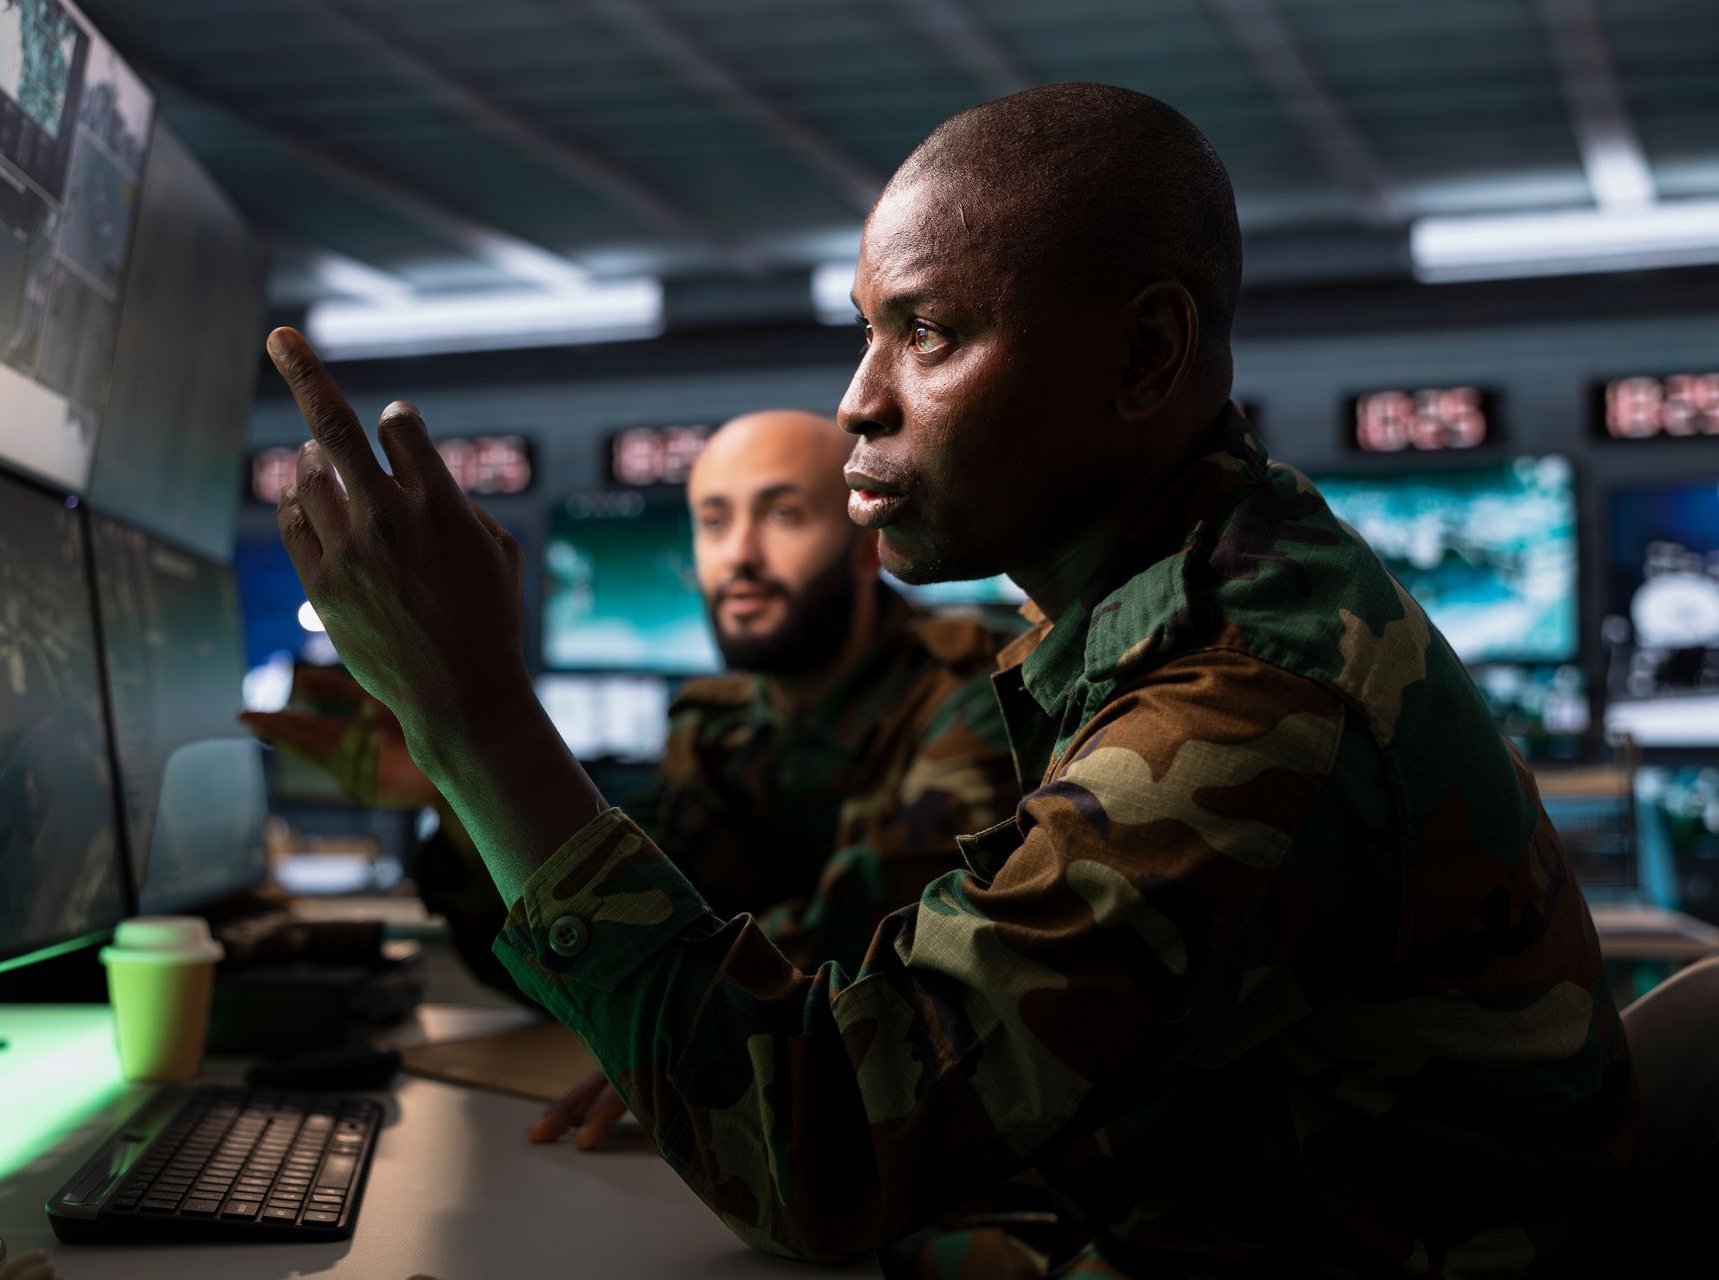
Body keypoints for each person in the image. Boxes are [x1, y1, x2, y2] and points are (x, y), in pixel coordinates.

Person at [259, 82, 1635, 1278]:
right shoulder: (1163, 614)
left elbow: (816, 1147)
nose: (859, 400)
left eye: (926, 334)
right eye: (867, 330)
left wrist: (474, 714)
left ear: (1145, 356)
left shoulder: (1250, 695)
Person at [244, 410, 1021, 1148]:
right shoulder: (714, 725)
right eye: (714, 521)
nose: (740, 555)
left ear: (864, 546)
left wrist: (672, 1019)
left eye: (783, 515)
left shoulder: (974, 692)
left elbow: (873, 949)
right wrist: (451, 793)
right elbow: (597, 942)